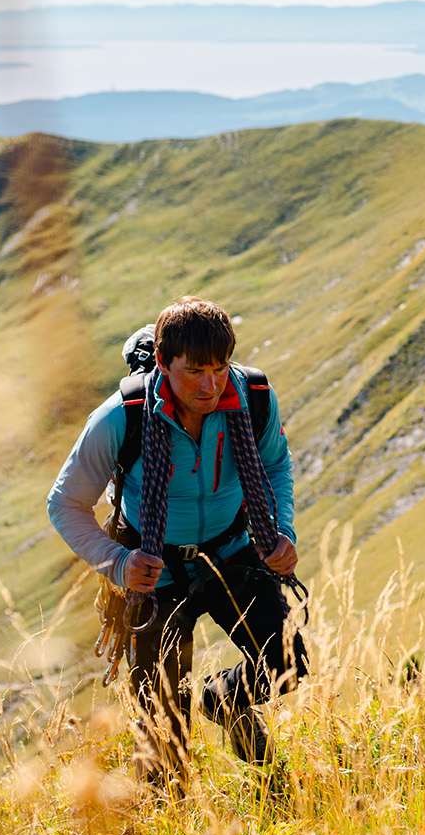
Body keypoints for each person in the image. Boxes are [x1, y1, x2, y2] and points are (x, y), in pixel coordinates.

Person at [47, 296, 304, 791]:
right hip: (154, 574)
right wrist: (117, 563)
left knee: (285, 664)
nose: (210, 386)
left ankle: (226, 702)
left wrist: (283, 529)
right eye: (194, 372)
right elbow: (65, 503)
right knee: (165, 733)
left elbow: (276, 465)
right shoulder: (121, 419)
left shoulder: (252, 397)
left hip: (234, 553)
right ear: (164, 365)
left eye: (219, 368)